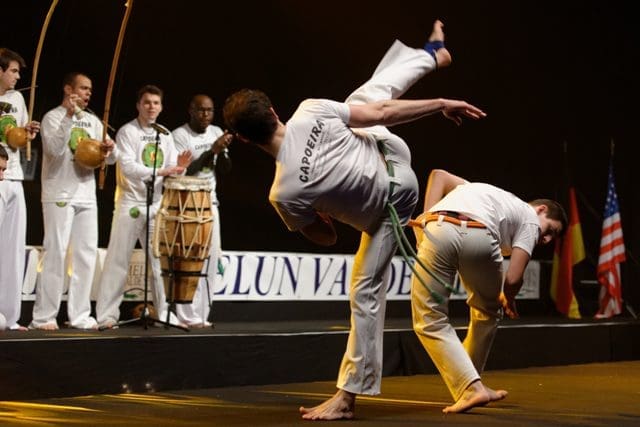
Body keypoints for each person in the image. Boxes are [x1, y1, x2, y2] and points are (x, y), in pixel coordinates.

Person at [223, 21, 486, 420]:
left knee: (364, 292)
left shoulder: (284, 194)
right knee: (365, 99)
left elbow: (326, 238)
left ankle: (347, 398)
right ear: (275, 111)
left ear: (243, 139)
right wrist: (440, 103)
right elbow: (383, 112)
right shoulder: (311, 110)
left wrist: (326, 207)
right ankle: (431, 57)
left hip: (393, 208)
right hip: (396, 159)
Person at [410, 168, 568, 413]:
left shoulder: (480, 191)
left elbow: (438, 175)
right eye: (550, 231)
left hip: (438, 228)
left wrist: (423, 219)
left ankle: (469, 386)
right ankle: (471, 386)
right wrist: (510, 297)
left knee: (429, 318)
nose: (545, 240)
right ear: (541, 209)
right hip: (480, 234)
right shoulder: (529, 217)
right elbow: (514, 278)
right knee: (488, 312)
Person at [96, 84, 191, 329]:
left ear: (162, 107)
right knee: (118, 260)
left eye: (156, 103)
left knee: (160, 261)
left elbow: (171, 170)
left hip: (156, 204)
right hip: (130, 203)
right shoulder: (127, 132)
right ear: (139, 105)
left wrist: (179, 169)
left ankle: (164, 313)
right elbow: (128, 167)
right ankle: (107, 315)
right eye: (147, 102)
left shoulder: (166, 135)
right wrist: (163, 170)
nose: (151, 107)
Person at [29, 72, 117, 330]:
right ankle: (44, 317)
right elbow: (54, 150)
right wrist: (68, 116)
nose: (88, 93)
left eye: (90, 89)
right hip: (59, 193)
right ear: (69, 89)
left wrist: (110, 150)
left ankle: (79, 314)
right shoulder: (52, 117)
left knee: (85, 255)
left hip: (86, 194)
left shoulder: (92, 121)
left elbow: (110, 160)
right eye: (83, 88)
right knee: (55, 252)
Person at [172, 94, 232, 328]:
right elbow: (185, 171)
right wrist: (212, 151)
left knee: (212, 258)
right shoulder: (180, 136)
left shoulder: (216, 131)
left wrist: (223, 150)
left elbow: (225, 170)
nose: (205, 115)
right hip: (188, 203)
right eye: (201, 110)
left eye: (209, 110)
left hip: (211, 202)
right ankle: (186, 315)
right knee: (190, 259)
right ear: (191, 110)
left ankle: (202, 314)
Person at [0, 48, 40, 331]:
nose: (17, 76)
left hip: (14, 177)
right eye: (13, 70)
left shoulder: (17, 98)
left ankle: (9, 317)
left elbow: (18, 138)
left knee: (13, 251)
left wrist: (27, 133)